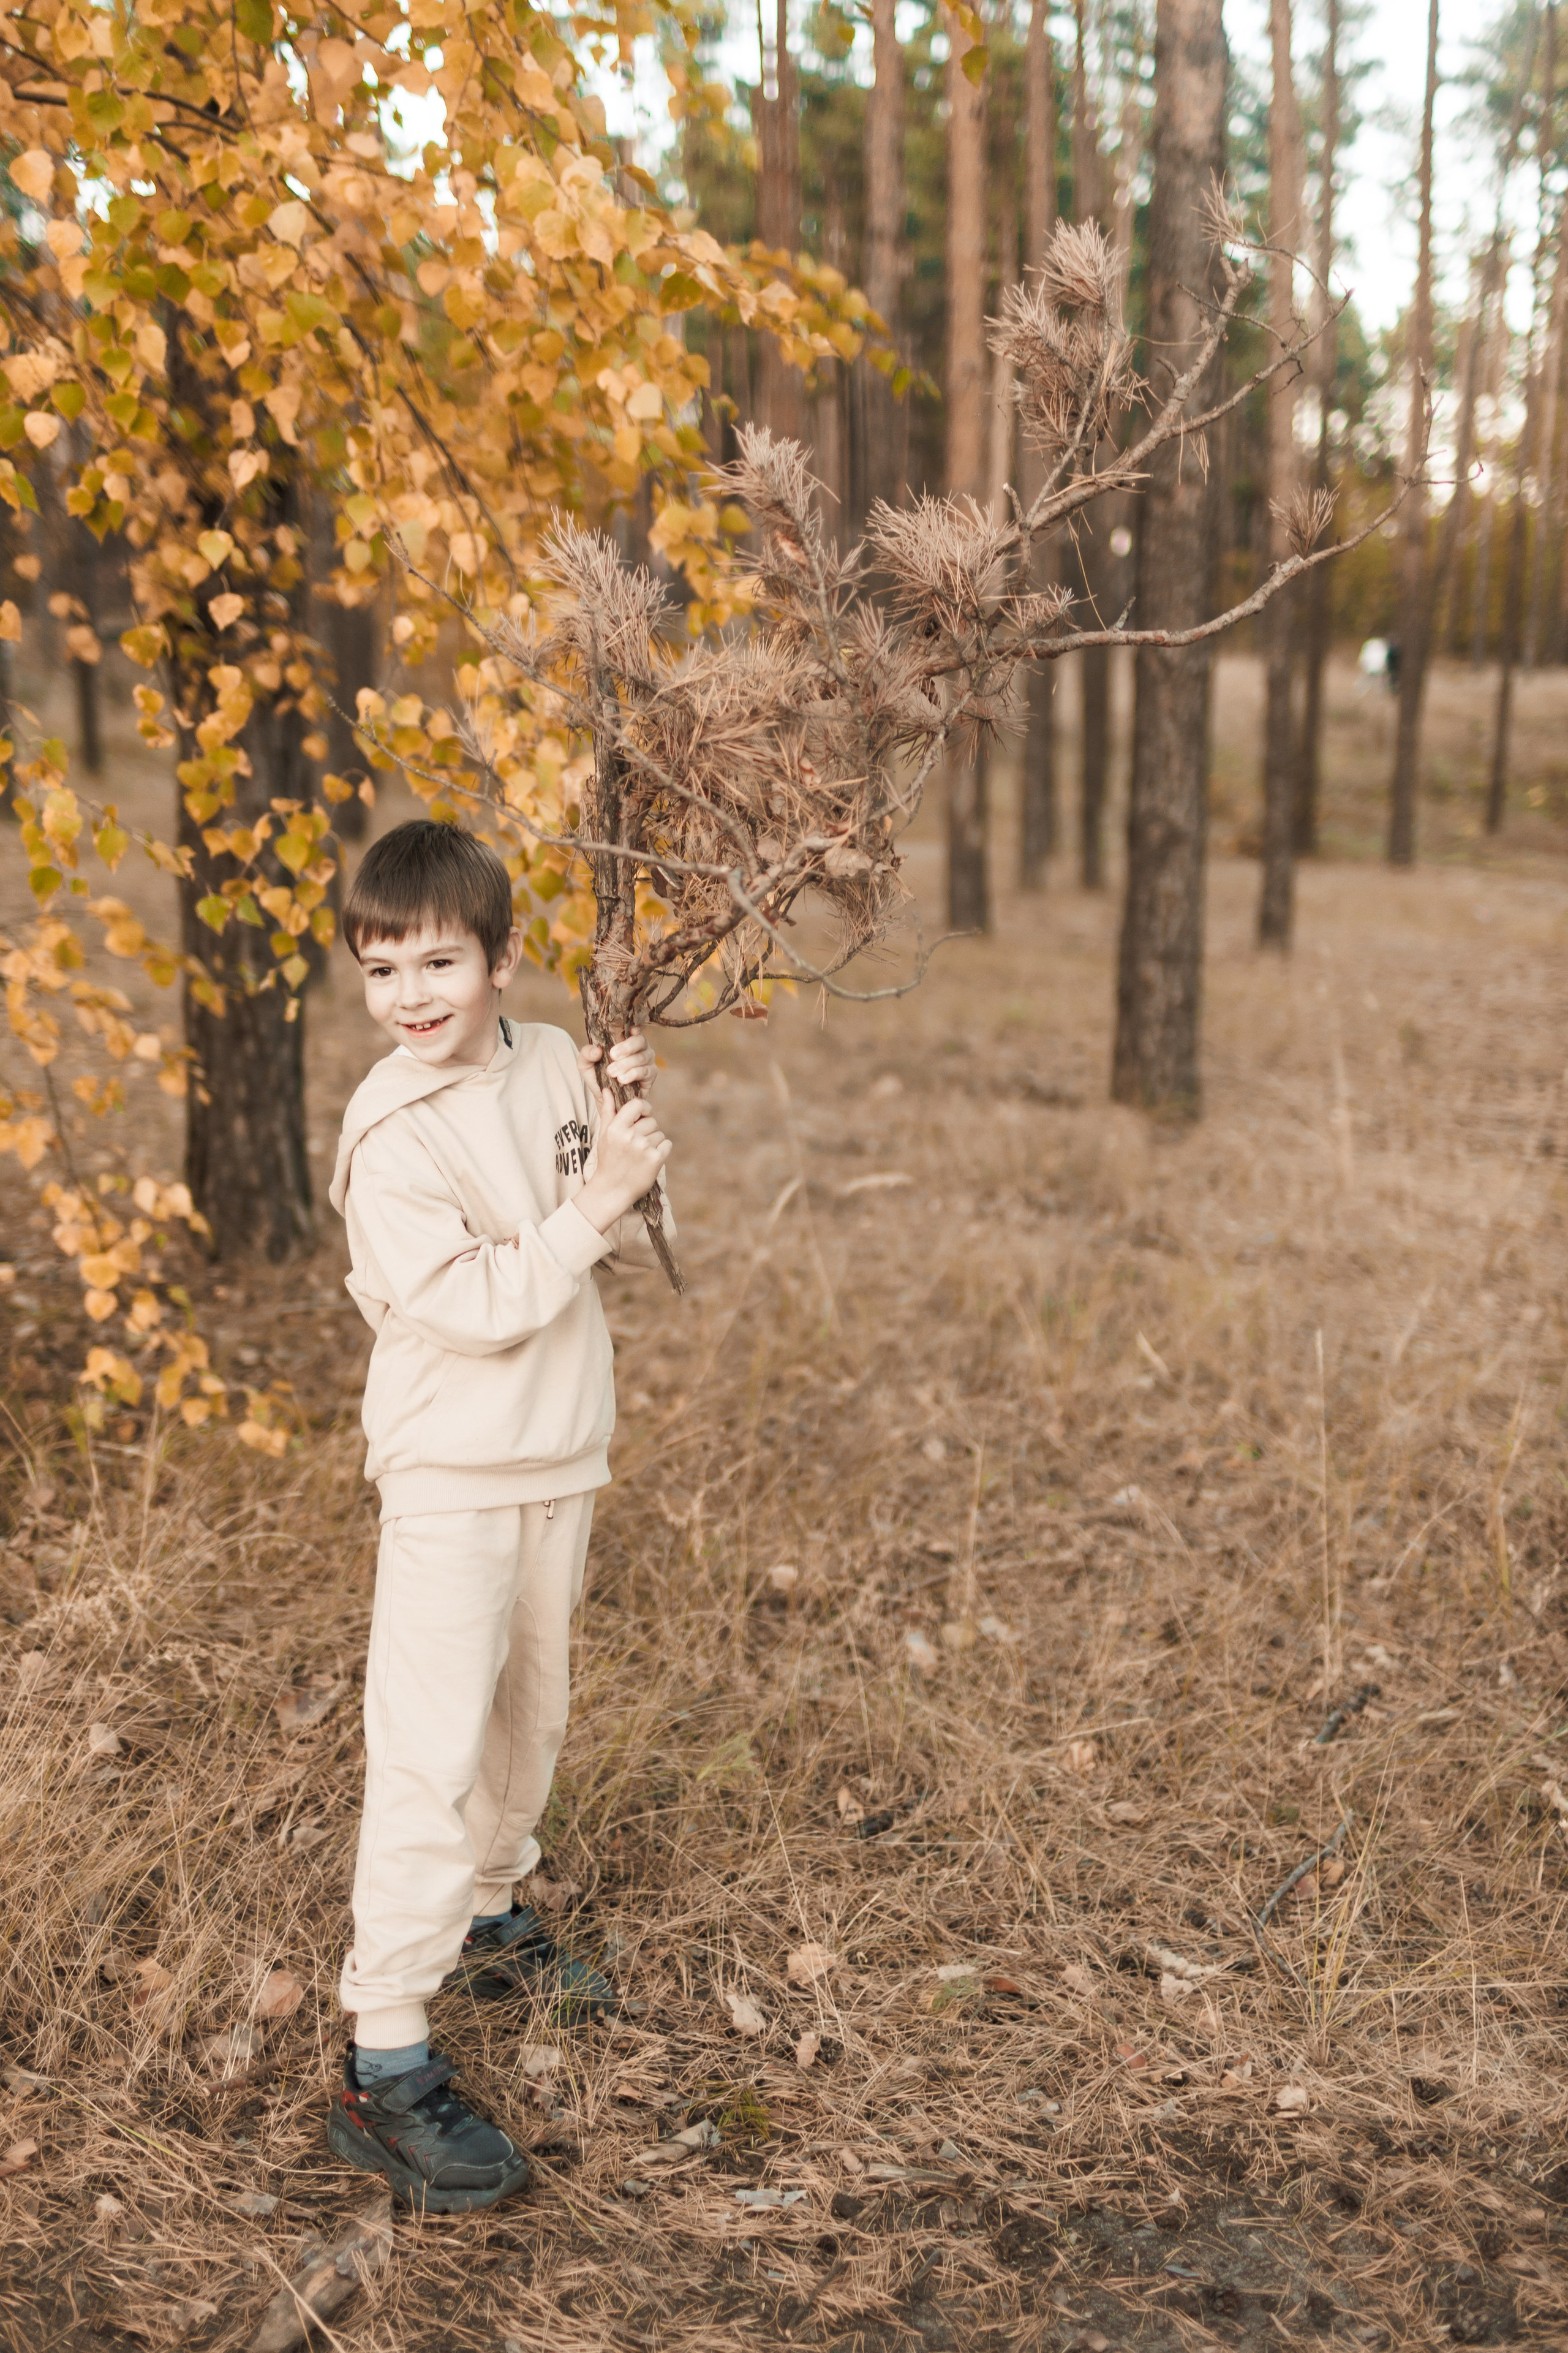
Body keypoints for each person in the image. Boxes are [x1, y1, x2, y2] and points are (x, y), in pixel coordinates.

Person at [322, 818, 673, 2213]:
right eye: (381, 969)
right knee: (427, 1746)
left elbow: (616, 1222)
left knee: (531, 1709)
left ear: (501, 959)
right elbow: (475, 1303)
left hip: (557, 1449)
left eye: (438, 963)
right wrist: (594, 1204)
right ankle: (385, 2053)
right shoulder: (390, 1135)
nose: (409, 995)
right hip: (453, 1469)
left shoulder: (547, 1062)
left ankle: (488, 1911)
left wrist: (625, 1129)